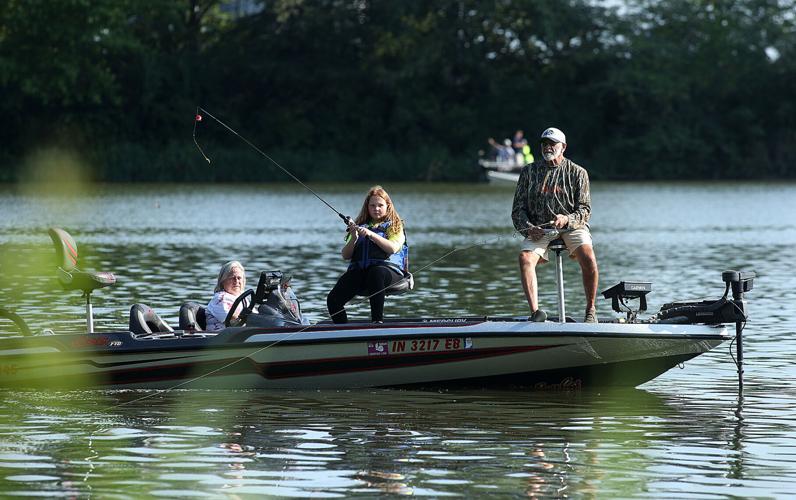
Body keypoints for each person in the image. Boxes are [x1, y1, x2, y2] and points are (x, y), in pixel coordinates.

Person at [511, 127, 599, 323]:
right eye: (544, 143)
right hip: (538, 229)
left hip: (573, 227)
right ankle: (535, 313)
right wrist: (528, 227)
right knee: (525, 258)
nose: (547, 147)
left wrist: (567, 219)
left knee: (589, 255)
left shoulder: (579, 173)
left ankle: (590, 310)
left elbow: (585, 210)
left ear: (564, 147)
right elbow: (517, 210)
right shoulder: (528, 172)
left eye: (552, 143)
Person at [327, 186, 408, 324]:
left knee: (376, 272)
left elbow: (393, 248)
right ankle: (342, 330)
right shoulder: (359, 226)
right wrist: (354, 237)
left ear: (388, 206)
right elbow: (345, 255)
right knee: (333, 299)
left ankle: (377, 322)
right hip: (363, 273)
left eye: (380, 205)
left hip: (390, 274)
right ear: (367, 207)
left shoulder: (395, 226)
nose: (376, 208)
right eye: (372, 205)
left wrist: (371, 234)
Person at [205, 260, 246, 331]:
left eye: (239, 278)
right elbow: (233, 319)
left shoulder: (243, 298)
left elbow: (254, 315)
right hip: (219, 338)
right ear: (223, 281)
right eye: (233, 278)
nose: (236, 281)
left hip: (238, 335)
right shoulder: (220, 299)